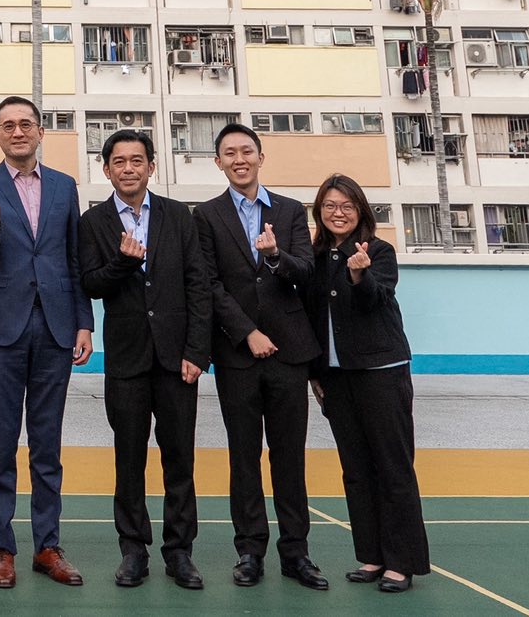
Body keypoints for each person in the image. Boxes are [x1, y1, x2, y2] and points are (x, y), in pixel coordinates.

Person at [193, 122, 328, 592]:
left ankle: (297, 552)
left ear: (260, 156)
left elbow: (306, 273)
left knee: (289, 458)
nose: (239, 159)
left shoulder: (290, 210)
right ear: (218, 162)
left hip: (289, 354)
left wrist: (274, 258)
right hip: (238, 356)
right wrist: (247, 332)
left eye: (246, 150)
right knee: (243, 458)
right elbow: (209, 284)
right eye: (229, 153)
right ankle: (250, 550)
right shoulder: (205, 216)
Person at [0, 97, 93, 588]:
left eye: (26, 124)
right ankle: (1, 548)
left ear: (41, 132)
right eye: (7, 125)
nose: (18, 132)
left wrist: (84, 321)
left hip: (57, 326)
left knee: (47, 445)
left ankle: (48, 546)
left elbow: (74, 257)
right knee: (1, 444)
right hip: (3, 328)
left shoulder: (65, 186)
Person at [77, 129, 209, 590]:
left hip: (178, 362)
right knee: (128, 459)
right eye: (119, 161)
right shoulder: (92, 223)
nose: (128, 168)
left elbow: (199, 286)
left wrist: (197, 351)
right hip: (127, 360)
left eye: (137, 160)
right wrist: (123, 263)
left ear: (151, 166)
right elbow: (91, 283)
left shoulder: (178, 216)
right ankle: (133, 550)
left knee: (180, 460)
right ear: (106, 168)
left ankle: (180, 552)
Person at [304, 174, 429, 594]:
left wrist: (361, 276)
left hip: (381, 373)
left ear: (360, 211)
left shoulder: (378, 251)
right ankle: (372, 556)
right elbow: (310, 318)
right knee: (356, 470)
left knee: (392, 466)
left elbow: (376, 300)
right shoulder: (316, 257)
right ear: (319, 212)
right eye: (329, 206)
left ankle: (401, 562)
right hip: (337, 380)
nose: (338, 213)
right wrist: (315, 374)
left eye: (347, 206)